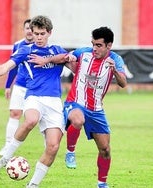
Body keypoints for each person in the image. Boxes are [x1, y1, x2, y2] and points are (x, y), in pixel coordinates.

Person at [0, 15, 70, 188]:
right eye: (36, 34)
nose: (39, 37)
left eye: (42, 34)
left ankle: (33, 185)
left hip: (55, 102)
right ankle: (4, 159)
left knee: (53, 146)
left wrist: (73, 60)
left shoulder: (57, 50)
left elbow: (73, 64)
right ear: (31, 34)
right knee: (31, 120)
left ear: (49, 33)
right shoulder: (26, 50)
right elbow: (5, 67)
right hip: (34, 97)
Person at [29, 26, 127, 188]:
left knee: (105, 150)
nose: (94, 48)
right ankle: (70, 152)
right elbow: (64, 57)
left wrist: (115, 71)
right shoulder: (84, 52)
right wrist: (47, 60)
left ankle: (102, 183)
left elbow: (123, 83)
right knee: (78, 119)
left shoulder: (116, 60)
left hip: (96, 109)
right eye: (93, 44)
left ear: (109, 45)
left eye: (99, 45)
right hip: (75, 102)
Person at [0, 19, 34, 156]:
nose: (29, 31)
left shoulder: (40, 47)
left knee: (38, 118)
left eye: (31, 28)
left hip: (35, 88)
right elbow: (13, 66)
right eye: (27, 28)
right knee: (14, 114)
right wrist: (8, 86)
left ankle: (50, 146)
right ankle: (7, 146)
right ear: (23, 30)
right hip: (20, 85)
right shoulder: (18, 45)